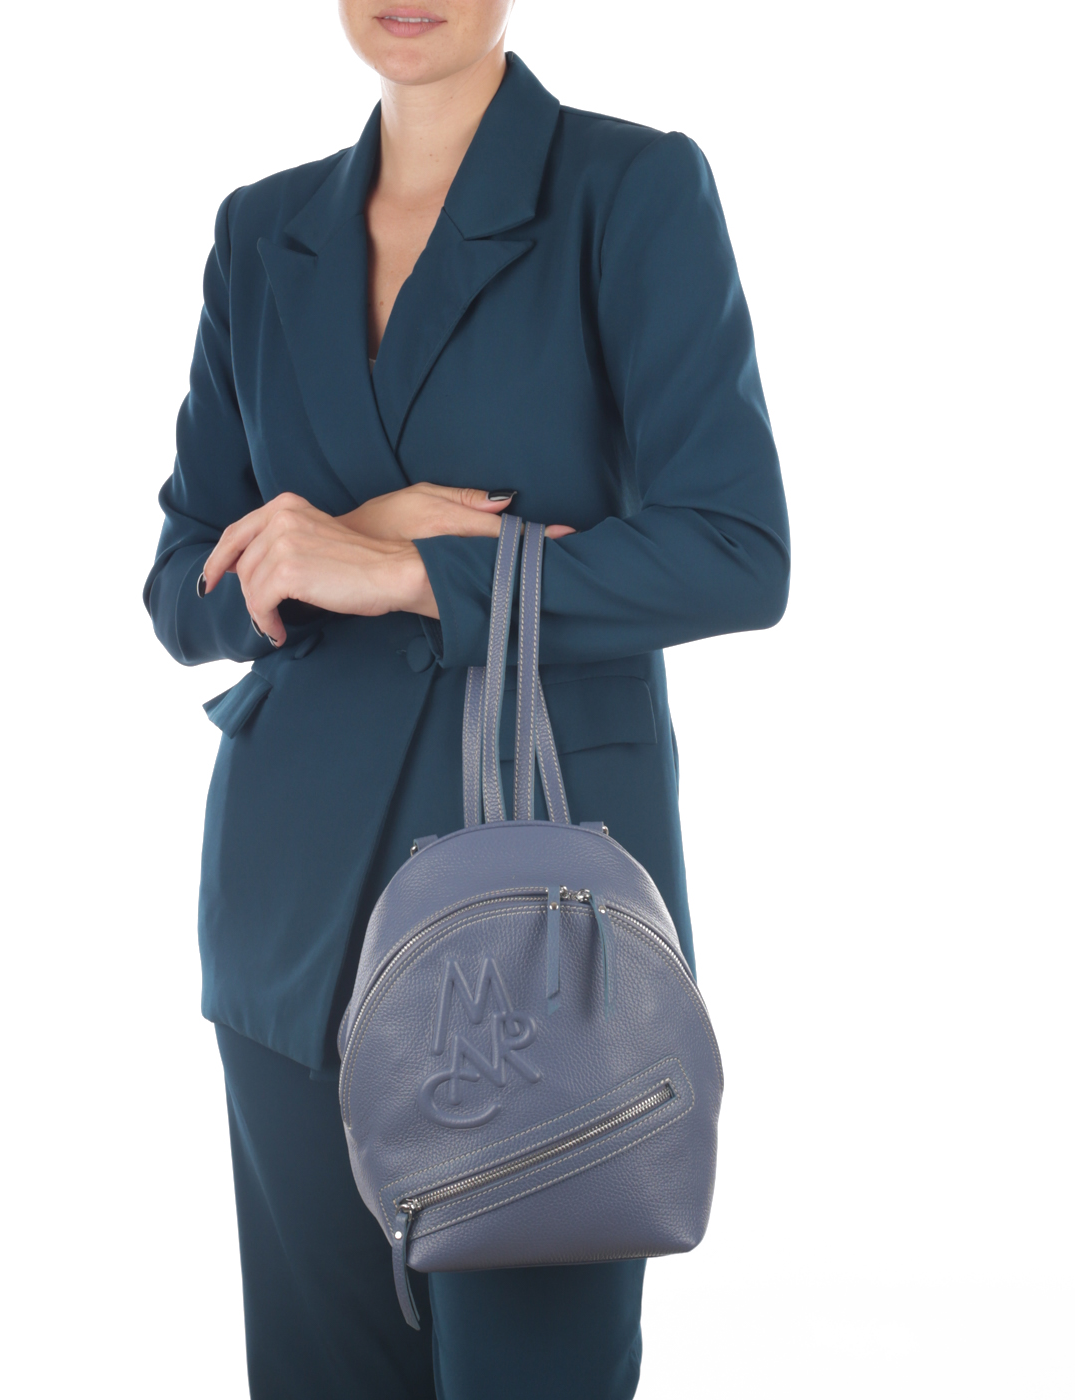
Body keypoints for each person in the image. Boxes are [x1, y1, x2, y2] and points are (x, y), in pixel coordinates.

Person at [143, 4, 790, 1395]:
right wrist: (345, 533)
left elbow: (736, 551)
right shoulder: (261, 231)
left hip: (541, 927)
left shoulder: (629, 189)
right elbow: (181, 593)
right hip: (288, 914)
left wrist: (410, 573)